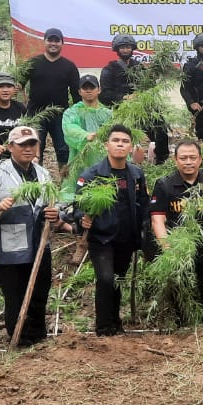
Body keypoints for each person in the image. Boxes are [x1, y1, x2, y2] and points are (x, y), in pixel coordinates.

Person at [0, 126, 63, 346]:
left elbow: (55, 203)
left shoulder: (43, 174)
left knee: (40, 291)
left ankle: (38, 336)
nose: (28, 149)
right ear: (10, 147)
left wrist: (56, 212)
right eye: (22, 145)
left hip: (40, 243)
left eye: (32, 144)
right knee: (14, 294)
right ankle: (18, 336)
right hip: (10, 246)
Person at [74, 125, 150, 336]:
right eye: (115, 140)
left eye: (125, 141)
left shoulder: (136, 174)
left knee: (118, 280)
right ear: (106, 145)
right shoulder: (91, 175)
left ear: (130, 147)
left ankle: (115, 323)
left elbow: (144, 204)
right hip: (101, 238)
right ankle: (103, 327)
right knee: (106, 279)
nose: (120, 144)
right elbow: (78, 205)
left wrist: (145, 233)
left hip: (126, 238)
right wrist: (82, 218)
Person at [150, 139, 203, 314]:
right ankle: (182, 324)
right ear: (175, 160)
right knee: (181, 294)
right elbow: (157, 220)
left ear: (200, 159)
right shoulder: (164, 185)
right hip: (179, 248)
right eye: (183, 158)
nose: (188, 162)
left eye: (192, 157)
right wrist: (167, 248)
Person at [101, 34, 169, 163]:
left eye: (128, 47)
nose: (125, 50)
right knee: (124, 139)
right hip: (122, 111)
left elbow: (150, 88)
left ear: (132, 48)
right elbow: (104, 95)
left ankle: (161, 162)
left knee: (161, 131)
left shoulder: (139, 67)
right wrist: (124, 98)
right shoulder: (109, 69)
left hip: (143, 109)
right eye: (122, 47)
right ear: (117, 49)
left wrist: (152, 79)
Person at [24, 27, 80, 168]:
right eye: (50, 40)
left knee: (64, 150)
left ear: (62, 43)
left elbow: (76, 94)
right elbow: (18, 84)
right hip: (36, 114)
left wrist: (77, 115)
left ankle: (65, 179)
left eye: (57, 40)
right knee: (35, 149)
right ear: (44, 42)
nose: (53, 43)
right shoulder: (33, 63)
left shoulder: (69, 66)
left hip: (60, 115)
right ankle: (36, 178)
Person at [61, 74, 111, 170]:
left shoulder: (108, 114)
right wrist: (85, 135)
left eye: (92, 87)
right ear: (80, 92)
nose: (88, 90)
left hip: (104, 160)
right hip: (80, 160)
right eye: (85, 88)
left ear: (99, 90)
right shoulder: (72, 112)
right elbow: (69, 128)